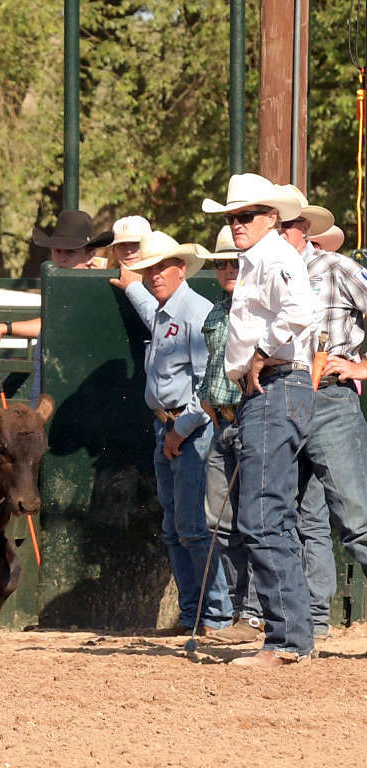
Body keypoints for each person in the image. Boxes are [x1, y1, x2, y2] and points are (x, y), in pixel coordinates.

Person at [203, 174, 320, 666]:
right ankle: (292, 635)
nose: (236, 224)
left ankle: (286, 641)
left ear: (272, 218)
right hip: (271, 389)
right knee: (268, 513)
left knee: (263, 514)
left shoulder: (274, 257)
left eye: (245, 215)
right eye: (232, 217)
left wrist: (262, 355)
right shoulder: (264, 259)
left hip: (275, 386)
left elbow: (302, 311)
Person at [110, 231, 231, 635]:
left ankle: (212, 615)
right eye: (150, 269)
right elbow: (151, 310)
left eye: (162, 267)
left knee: (194, 527)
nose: (155, 275)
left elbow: (206, 388)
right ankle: (195, 613)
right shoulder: (166, 310)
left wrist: (179, 430)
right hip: (169, 427)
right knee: (177, 527)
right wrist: (132, 287)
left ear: (182, 269)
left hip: (187, 430)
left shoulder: (194, 312)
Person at [287, 190, 367, 641]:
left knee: (357, 521)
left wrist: (360, 367)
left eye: (285, 224)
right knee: (288, 518)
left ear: (304, 229)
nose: (278, 232)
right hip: (280, 399)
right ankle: (303, 627)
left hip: (328, 397)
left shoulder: (338, 268)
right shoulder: (262, 272)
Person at [198, 227, 265, 641]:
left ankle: (256, 613)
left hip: (251, 418)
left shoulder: (258, 308)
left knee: (258, 519)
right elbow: (211, 364)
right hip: (221, 422)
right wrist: (205, 399)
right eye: (220, 262)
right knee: (218, 524)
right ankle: (243, 610)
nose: (226, 268)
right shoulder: (216, 311)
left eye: (233, 262)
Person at [0, 209, 113, 360]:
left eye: (70, 252)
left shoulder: (98, 291)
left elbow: (56, 325)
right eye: (58, 251)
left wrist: (4, 328)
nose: (62, 258)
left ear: (90, 255)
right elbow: (50, 323)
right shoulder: (58, 287)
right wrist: (3, 328)